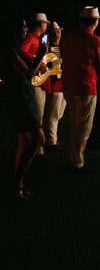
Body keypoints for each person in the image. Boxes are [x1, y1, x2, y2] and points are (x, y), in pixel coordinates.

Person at [60, 6, 100, 171]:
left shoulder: (68, 37)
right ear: (95, 22)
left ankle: (74, 156)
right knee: (83, 126)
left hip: (68, 85)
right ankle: (77, 160)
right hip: (85, 86)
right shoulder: (94, 40)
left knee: (74, 123)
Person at [2, 18, 47, 201]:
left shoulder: (16, 52)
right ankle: (16, 182)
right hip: (20, 99)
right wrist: (39, 56)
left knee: (26, 142)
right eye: (22, 26)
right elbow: (28, 75)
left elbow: (31, 71)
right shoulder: (10, 53)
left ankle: (18, 185)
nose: (26, 29)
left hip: (24, 97)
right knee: (38, 138)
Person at [21, 13, 50, 155]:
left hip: (38, 83)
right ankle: (37, 148)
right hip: (35, 84)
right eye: (45, 23)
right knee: (37, 117)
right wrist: (37, 61)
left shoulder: (37, 40)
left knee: (39, 116)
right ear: (40, 24)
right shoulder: (31, 39)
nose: (46, 26)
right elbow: (20, 53)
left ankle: (37, 146)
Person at [44, 22, 66, 150]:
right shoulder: (47, 47)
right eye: (55, 32)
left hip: (62, 83)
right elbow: (49, 65)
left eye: (58, 31)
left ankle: (53, 139)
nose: (57, 34)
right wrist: (64, 60)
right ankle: (51, 141)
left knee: (58, 113)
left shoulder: (62, 47)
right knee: (53, 113)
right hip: (54, 84)